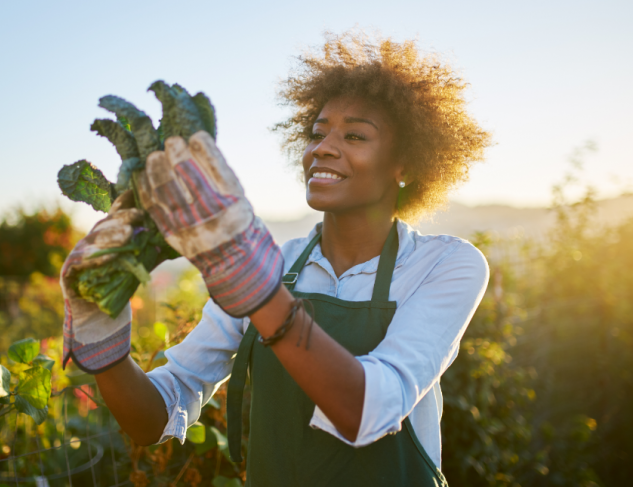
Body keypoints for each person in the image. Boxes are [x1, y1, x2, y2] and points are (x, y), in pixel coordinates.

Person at [60, 31, 492, 486]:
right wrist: (102, 341)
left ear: (405, 163)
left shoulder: (445, 266)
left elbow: (368, 410)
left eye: (355, 135)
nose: (322, 147)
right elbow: (154, 417)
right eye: (317, 133)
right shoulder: (276, 265)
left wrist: (255, 286)